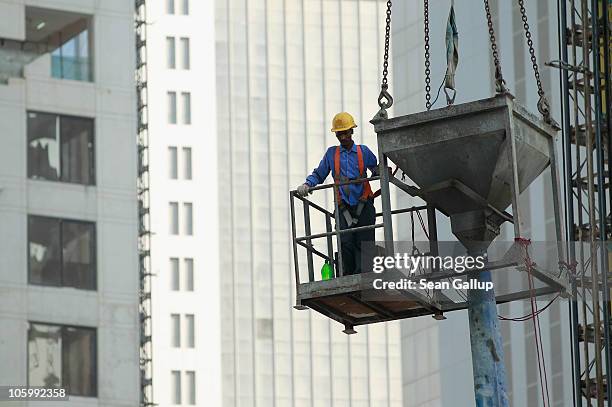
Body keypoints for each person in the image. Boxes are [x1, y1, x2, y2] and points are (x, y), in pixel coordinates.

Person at [296, 112, 378, 275]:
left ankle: (366, 277)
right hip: (344, 206)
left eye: (345, 132)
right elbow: (319, 174)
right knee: (345, 242)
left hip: (364, 203)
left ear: (352, 132)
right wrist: (307, 184)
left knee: (364, 241)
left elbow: (376, 167)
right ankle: (348, 277)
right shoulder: (332, 154)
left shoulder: (363, 152)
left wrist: (380, 171)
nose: (343, 137)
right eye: (339, 133)